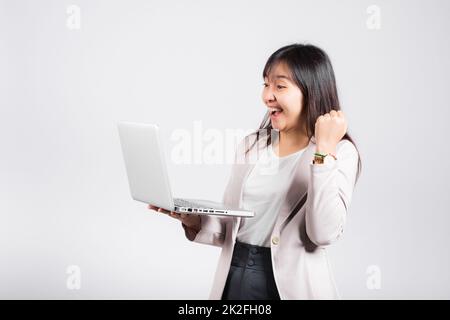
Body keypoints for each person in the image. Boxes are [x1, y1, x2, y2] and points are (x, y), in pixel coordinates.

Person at [149, 43, 362, 300]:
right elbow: (234, 224)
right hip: (236, 274)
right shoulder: (252, 146)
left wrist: (324, 152)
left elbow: (323, 233)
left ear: (311, 91)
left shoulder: (340, 152)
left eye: (280, 86)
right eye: (265, 84)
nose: (267, 96)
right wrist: (195, 221)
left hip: (293, 286)